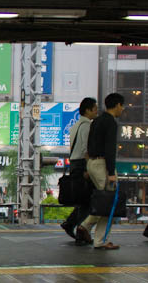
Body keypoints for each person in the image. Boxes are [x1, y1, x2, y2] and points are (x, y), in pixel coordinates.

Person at [75, 92, 124, 250]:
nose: (122, 109)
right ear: (117, 105)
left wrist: (89, 165)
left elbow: (89, 145)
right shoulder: (111, 123)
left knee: (104, 200)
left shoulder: (96, 121)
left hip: (92, 163)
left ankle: (87, 228)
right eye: (122, 106)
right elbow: (110, 149)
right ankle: (98, 238)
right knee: (108, 202)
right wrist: (111, 172)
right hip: (103, 164)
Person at [62, 97, 98, 242]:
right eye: (94, 108)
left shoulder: (75, 125)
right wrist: (89, 167)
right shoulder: (87, 126)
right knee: (87, 200)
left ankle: (72, 225)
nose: (96, 111)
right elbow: (85, 148)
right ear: (88, 110)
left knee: (82, 200)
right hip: (82, 164)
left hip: (74, 164)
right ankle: (78, 230)